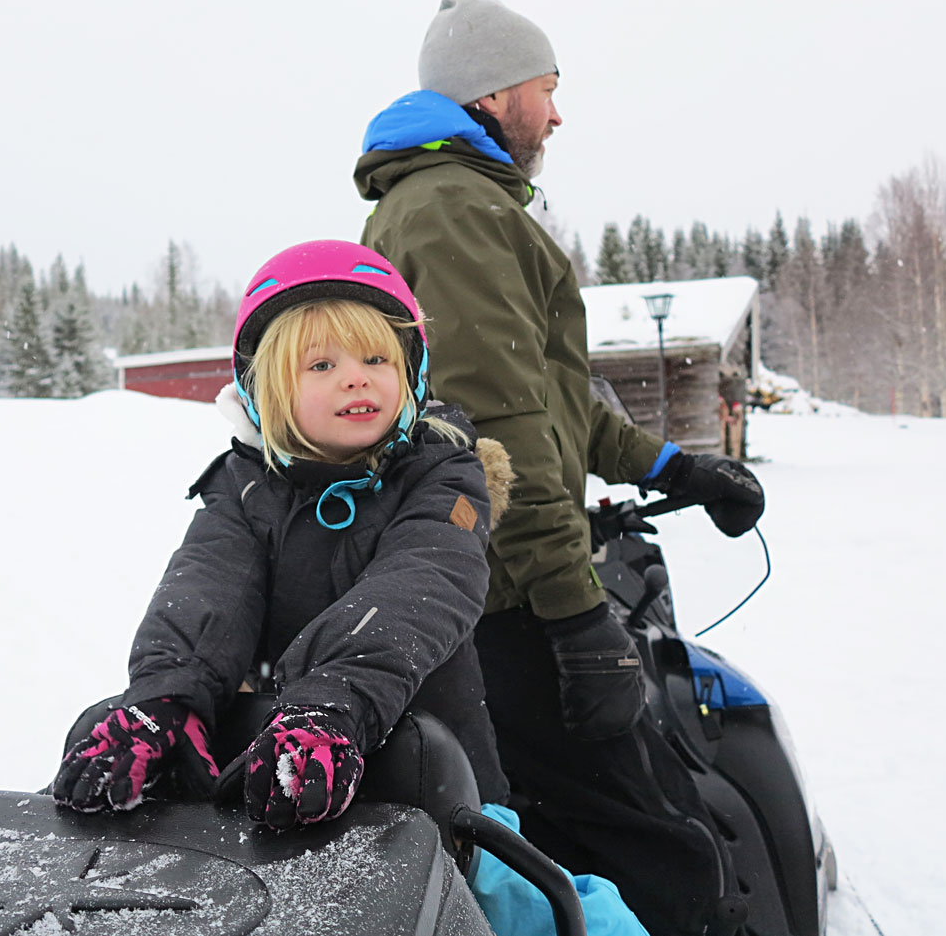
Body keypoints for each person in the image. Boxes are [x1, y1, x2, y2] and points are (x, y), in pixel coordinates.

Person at [51, 238, 649, 936]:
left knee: (538, 908)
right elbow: (207, 592)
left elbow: (424, 580)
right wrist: (163, 698)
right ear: (266, 386)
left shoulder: (443, 476)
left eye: (376, 359)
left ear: (411, 371)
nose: (356, 380)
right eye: (323, 364)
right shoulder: (243, 488)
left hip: (433, 782)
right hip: (281, 781)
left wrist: (333, 700)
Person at [352, 0, 766, 935]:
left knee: (604, 833)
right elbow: (498, 431)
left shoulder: (457, 202)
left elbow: (549, 392)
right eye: (547, 88)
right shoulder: (455, 209)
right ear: (494, 96)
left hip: (508, 581)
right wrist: (576, 616)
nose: (557, 113)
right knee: (658, 849)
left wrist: (670, 463)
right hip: (510, 596)